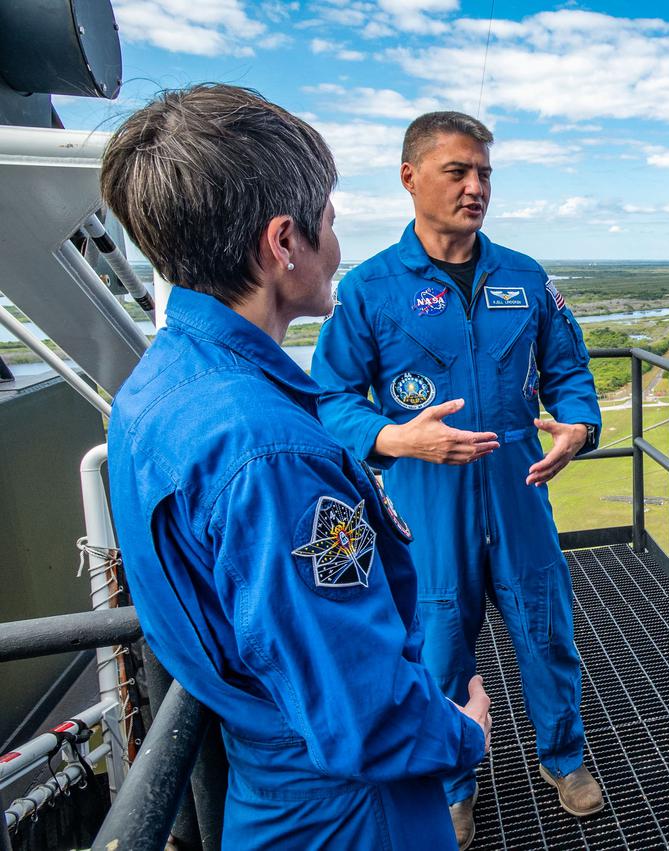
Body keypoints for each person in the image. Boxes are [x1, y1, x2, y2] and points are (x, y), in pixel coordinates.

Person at [101, 85, 490, 849]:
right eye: (330, 222)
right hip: (352, 811)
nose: (335, 243)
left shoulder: (158, 388)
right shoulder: (271, 452)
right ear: (284, 242)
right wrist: (462, 732)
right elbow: (363, 711)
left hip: (271, 782)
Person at [310, 111, 603, 847]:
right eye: (458, 171)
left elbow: (569, 371)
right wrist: (392, 437)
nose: (476, 188)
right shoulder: (370, 289)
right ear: (410, 178)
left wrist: (578, 425)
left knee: (547, 633)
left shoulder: (525, 279)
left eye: (485, 174)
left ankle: (564, 757)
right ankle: (451, 784)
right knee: (438, 648)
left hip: (520, 492)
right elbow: (332, 398)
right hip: (425, 502)